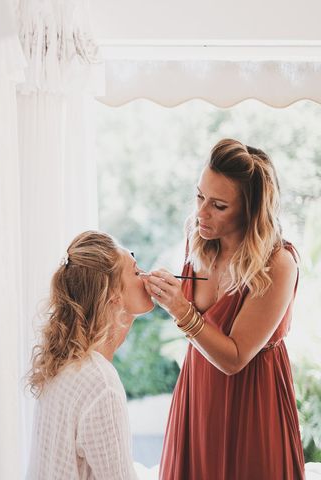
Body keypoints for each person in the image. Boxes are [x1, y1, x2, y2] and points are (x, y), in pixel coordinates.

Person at [141, 139, 305, 479]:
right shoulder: (197, 236)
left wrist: (181, 309)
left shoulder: (278, 263)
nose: (201, 213)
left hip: (253, 403)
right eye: (199, 196)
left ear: (250, 210)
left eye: (218, 205)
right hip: (198, 393)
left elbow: (234, 358)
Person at [26, 230, 153, 480]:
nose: (147, 277)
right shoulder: (100, 383)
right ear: (113, 295)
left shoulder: (65, 362)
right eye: (137, 272)